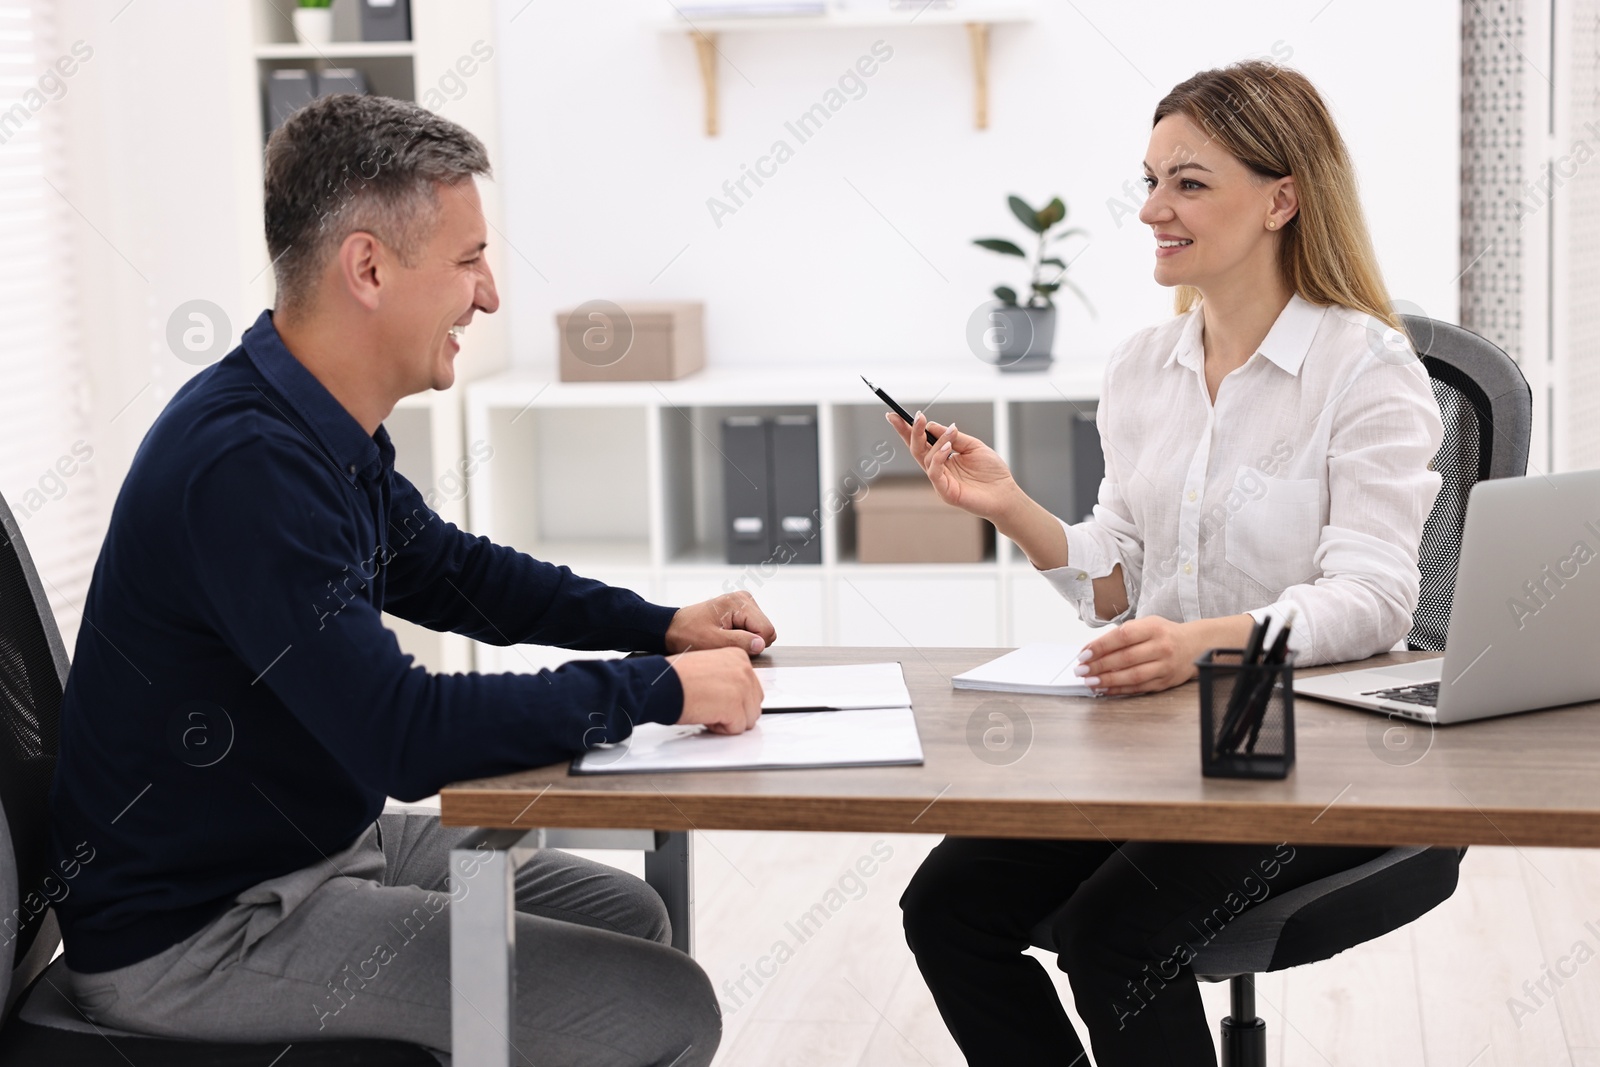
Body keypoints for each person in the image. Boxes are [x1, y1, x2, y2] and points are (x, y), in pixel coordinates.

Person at [49, 93, 772, 1067]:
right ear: (369, 266)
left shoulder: (310, 425)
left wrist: (664, 626)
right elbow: (400, 734)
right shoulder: (245, 468)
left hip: (313, 849)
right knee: (668, 1007)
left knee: (626, 909)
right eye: (469, 258)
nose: (490, 294)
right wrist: (661, 690)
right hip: (202, 934)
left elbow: (454, 574)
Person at [892, 61, 1445, 1066]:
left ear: (1281, 196)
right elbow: (1122, 580)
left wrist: (1203, 645)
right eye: (1149, 180)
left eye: (1187, 182)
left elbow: (1373, 601)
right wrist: (1012, 507)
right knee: (947, 907)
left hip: (1308, 752)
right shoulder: (1141, 368)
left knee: (1117, 940)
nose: (1151, 208)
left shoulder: (1367, 370)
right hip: (1164, 748)